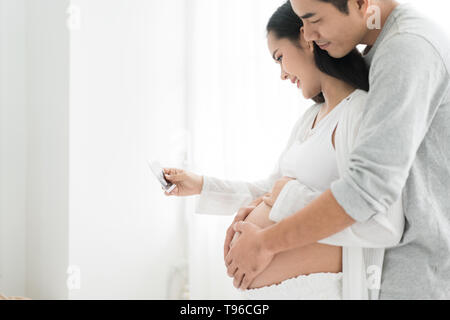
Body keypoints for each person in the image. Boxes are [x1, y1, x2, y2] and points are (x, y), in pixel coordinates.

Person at [163, 1, 403, 299]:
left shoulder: (359, 113)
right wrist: (200, 185)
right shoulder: (309, 121)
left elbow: (378, 221)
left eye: (279, 58)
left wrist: (283, 199)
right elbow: (268, 189)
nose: (282, 75)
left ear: (307, 39)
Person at [225, 0, 450, 299]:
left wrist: (266, 243)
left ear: (360, 3)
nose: (307, 34)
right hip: (393, 273)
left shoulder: (406, 49)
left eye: (313, 18)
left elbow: (367, 189)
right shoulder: (380, 52)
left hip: (417, 276)